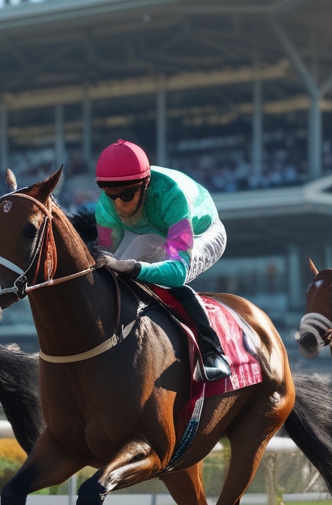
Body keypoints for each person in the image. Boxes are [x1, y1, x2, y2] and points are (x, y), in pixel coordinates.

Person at [89, 140, 231, 381]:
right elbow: (105, 254)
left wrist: (132, 267)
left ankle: (212, 352)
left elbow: (177, 270)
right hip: (149, 231)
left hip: (201, 233)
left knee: (165, 281)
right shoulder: (105, 205)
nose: (119, 204)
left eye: (127, 194)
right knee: (110, 275)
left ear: (145, 184)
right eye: (112, 196)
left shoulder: (171, 195)